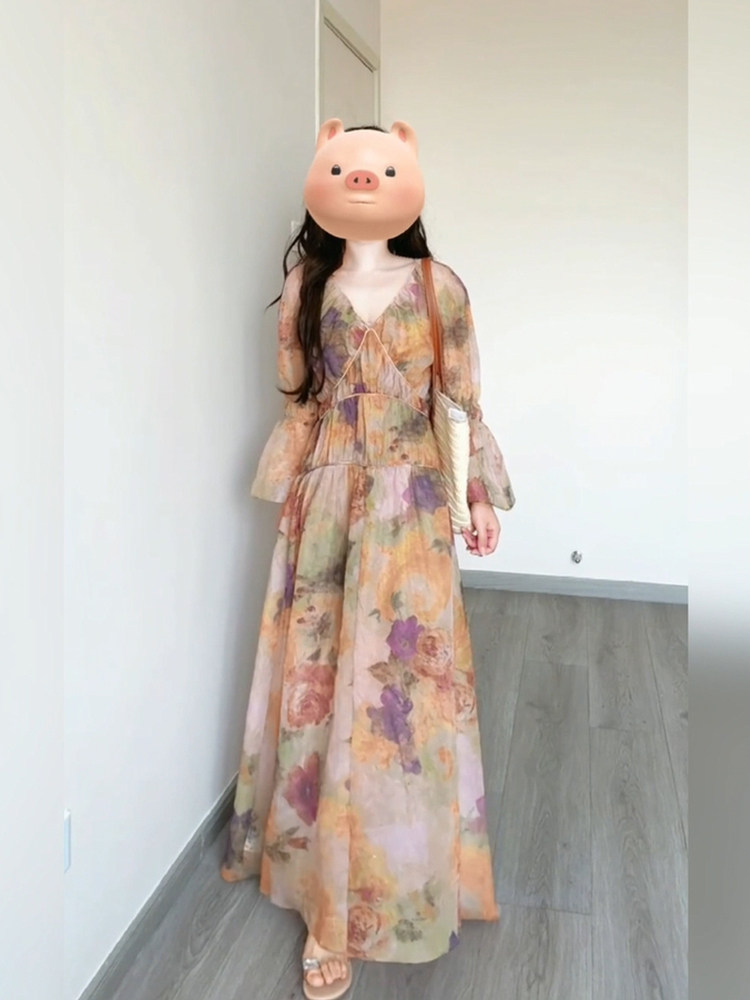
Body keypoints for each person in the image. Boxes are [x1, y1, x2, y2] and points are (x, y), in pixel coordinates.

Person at [220, 119, 515, 1000]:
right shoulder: (305, 286)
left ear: (406, 177)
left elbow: (459, 402)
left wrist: (474, 496)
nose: (362, 180)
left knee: (404, 704)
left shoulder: (438, 285)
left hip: (413, 510)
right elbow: (300, 401)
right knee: (321, 696)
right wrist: (295, 492)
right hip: (325, 510)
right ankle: (329, 912)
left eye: (381, 167)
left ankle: (416, 877)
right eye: (346, 165)